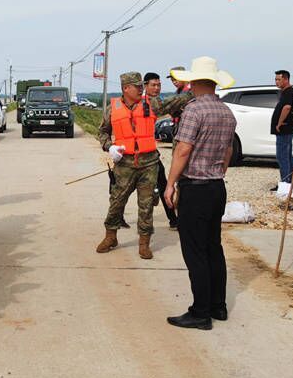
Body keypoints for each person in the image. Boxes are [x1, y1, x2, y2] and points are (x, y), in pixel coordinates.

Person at [163, 57, 236, 331]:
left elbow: (183, 149)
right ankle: (218, 305)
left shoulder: (194, 110)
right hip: (217, 186)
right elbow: (228, 151)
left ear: (192, 82)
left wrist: (170, 184)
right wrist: (219, 171)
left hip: (196, 187)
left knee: (195, 251)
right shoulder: (226, 112)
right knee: (213, 247)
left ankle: (200, 312)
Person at [95, 72, 159, 260]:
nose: (141, 89)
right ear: (126, 88)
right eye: (137, 86)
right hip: (124, 164)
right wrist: (110, 147)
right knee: (116, 201)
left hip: (149, 163)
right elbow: (102, 132)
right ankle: (111, 237)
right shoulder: (112, 109)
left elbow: (176, 103)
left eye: (142, 86)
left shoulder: (151, 104)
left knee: (146, 205)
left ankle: (144, 244)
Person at [143, 72, 178, 229]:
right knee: (124, 188)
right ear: (145, 86)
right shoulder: (139, 102)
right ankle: (117, 217)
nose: (156, 88)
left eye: (159, 85)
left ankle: (173, 220)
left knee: (163, 184)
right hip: (133, 153)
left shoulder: (155, 101)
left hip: (151, 153)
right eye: (153, 85)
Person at [271, 70, 293, 191]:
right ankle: (291, 179)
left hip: (285, 127)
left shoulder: (288, 92)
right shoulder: (287, 92)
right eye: (275, 79)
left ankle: (285, 182)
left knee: (282, 156)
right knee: (287, 154)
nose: (276, 82)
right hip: (287, 128)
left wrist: (279, 122)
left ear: (286, 79)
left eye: (279, 79)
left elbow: (287, 107)